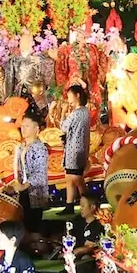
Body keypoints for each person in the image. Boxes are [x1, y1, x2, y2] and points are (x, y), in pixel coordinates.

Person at [14, 112, 51, 234]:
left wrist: (24, 185)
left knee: (33, 227)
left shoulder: (39, 147)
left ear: (36, 129)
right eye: (22, 126)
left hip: (35, 194)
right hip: (24, 192)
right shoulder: (22, 147)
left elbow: (40, 173)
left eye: (27, 126)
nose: (23, 129)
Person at [60, 85, 91, 215]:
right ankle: (69, 205)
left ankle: (88, 202)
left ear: (77, 95)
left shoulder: (77, 113)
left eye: (69, 95)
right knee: (70, 177)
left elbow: (63, 127)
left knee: (77, 178)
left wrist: (63, 112)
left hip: (75, 150)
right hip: (77, 149)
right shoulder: (85, 112)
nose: (68, 98)